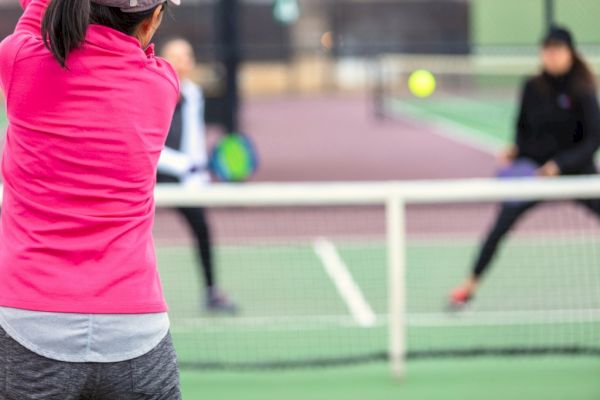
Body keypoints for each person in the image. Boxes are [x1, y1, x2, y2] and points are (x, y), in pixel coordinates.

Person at [0, 0, 183, 398]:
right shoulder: (162, 85)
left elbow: (33, 23)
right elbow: (137, 53)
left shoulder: (21, 62)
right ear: (152, 21)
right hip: (135, 328)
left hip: (29, 321)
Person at [449, 26, 600, 308]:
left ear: (570, 52)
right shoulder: (532, 87)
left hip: (577, 171)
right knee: (501, 223)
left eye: (558, 49)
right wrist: (517, 150)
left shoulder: (583, 90)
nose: (552, 55)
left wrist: (561, 164)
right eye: (547, 49)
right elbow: (522, 129)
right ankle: (470, 284)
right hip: (536, 173)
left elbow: (593, 139)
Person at [158, 38, 238, 314]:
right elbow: (151, 147)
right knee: (128, 233)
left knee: (202, 230)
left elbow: (193, 138)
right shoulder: (154, 91)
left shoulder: (193, 94)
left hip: (184, 181)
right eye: (176, 56)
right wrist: (183, 165)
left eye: (187, 55)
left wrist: (199, 173)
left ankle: (211, 292)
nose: (183, 61)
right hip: (150, 178)